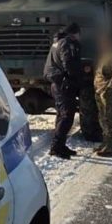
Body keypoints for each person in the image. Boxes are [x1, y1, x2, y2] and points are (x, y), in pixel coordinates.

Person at [43, 22, 84, 158]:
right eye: (79, 34)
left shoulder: (57, 42)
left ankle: (59, 145)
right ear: (74, 33)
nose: (80, 37)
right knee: (67, 116)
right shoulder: (67, 44)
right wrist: (78, 76)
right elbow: (69, 63)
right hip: (64, 85)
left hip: (57, 84)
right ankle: (56, 147)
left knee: (61, 115)